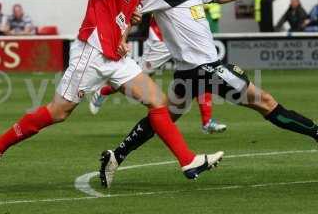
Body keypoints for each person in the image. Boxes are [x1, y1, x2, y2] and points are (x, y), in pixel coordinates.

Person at [0, 0, 223, 183]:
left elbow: (121, 21)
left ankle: (187, 161)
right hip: (92, 53)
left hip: (116, 57)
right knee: (58, 112)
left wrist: (123, 37)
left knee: (157, 101)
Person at [99, 0, 318, 188]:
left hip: (188, 73)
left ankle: (115, 156)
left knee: (162, 117)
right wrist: (122, 38)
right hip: (207, 69)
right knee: (266, 103)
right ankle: (317, 133)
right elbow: (130, 12)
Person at [89, 15, 227, 134]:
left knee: (200, 72)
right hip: (161, 41)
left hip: (184, 40)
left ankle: (207, 122)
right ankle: (104, 91)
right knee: (136, 78)